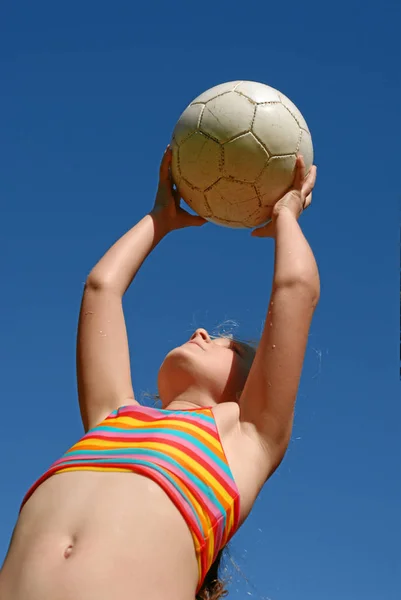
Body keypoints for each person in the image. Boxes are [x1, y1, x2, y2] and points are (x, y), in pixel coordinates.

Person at [0, 147, 319, 600]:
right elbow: (101, 287)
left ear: (255, 385)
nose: (204, 331)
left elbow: (296, 289)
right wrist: (159, 219)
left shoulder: (246, 438)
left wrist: (286, 215)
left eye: (232, 346)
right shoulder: (112, 417)